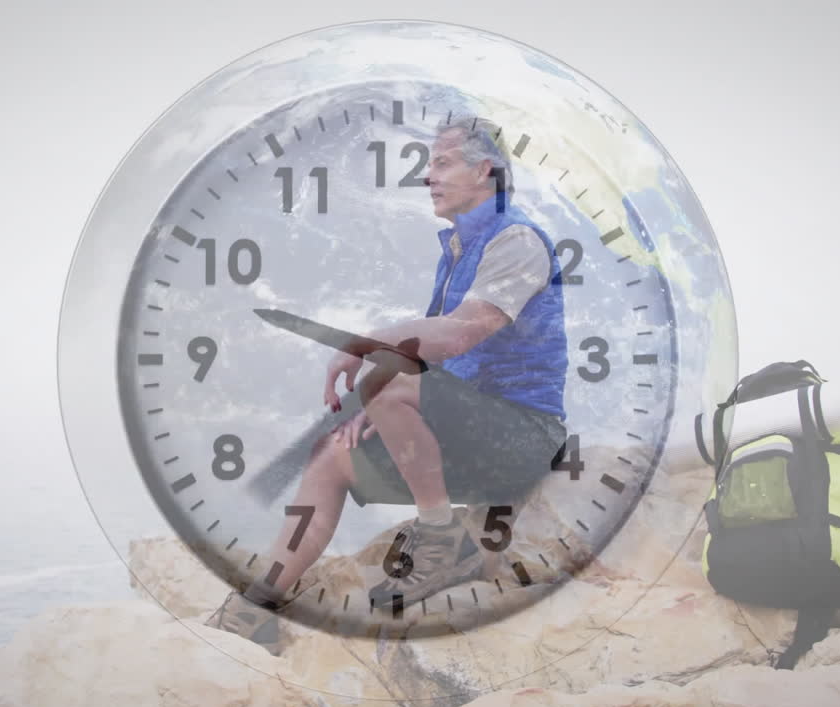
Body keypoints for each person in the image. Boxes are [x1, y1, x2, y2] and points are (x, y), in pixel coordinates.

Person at [205, 117, 569, 654]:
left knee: (391, 384)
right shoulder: (458, 249)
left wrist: (368, 349)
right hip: (473, 433)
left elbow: (462, 333)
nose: (428, 176)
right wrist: (380, 408)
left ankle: (442, 540)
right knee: (331, 458)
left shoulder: (515, 240)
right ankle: (257, 607)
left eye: (442, 163)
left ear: (484, 170)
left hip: (525, 436)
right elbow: (431, 360)